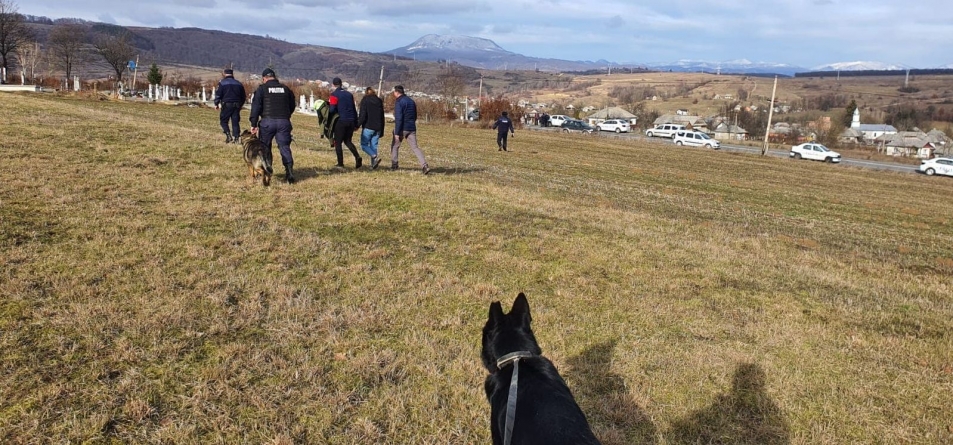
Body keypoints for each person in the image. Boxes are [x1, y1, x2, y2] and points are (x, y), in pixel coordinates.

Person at [249, 68, 297, 183]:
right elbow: (292, 105)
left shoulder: (262, 89)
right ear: (275, 77)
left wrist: (253, 124)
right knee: (284, 147)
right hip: (283, 122)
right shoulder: (286, 89)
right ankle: (289, 173)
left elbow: (256, 108)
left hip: (267, 122)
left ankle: (267, 171)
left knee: (264, 148)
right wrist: (286, 116)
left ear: (264, 78)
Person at [390, 85, 430, 174]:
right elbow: (415, 115)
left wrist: (397, 132)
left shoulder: (399, 102)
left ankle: (394, 165)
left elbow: (399, 118)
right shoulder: (411, 101)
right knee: (415, 147)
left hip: (402, 128)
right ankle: (424, 165)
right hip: (411, 127)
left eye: (394, 92)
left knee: (395, 146)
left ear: (397, 92)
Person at [329, 77, 362, 169]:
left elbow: (332, 110)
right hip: (351, 120)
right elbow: (354, 109)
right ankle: (357, 156)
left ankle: (340, 163)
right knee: (347, 141)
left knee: (338, 142)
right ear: (341, 84)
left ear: (333, 85)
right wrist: (356, 123)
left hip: (341, 121)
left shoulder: (334, 95)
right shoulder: (349, 95)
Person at [214, 68, 246, 143]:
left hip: (227, 104)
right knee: (235, 122)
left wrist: (216, 103)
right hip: (237, 105)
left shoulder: (222, 83)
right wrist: (241, 105)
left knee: (224, 121)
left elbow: (218, 94)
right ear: (232, 74)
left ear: (225, 74)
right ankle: (236, 138)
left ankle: (228, 135)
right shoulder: (238, 83)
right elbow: (243, 96)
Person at [358, 86, 385, 170]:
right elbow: (382, 116)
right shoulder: (379, 101)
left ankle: (374, 156)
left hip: (368, 126)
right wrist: (382, 129)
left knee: (364, 145)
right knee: (374, 146)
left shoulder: (365, 100)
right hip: (378, 127)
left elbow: (362, 115)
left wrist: (357, 125)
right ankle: (374, 164)